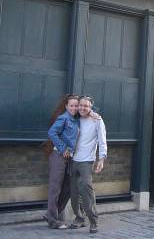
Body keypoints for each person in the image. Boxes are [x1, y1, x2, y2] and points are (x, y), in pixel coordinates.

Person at [70, 95, 107, 234]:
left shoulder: (97, 120)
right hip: (73, 160)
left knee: (86, 189)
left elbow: (102, 140)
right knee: (74, 192)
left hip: (86, 161)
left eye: (86, 106)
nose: (82, 108)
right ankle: (79, 218)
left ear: (91, 107)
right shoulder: (75, 119)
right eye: (81, 105)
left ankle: (93, 221)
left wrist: (101, 159)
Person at [45, 94, 80, 229]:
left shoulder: (77, 120)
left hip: (70, 158)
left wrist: (94, 114)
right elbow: (52, 133)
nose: (74, 108)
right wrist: (62, 148)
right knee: (55, 188)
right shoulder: (64, 118)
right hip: (58, 156)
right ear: (66, 106)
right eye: (71, 105)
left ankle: (52, 214)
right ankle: (53, 220)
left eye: (76, 105)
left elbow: (89, 108)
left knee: (68, 187)